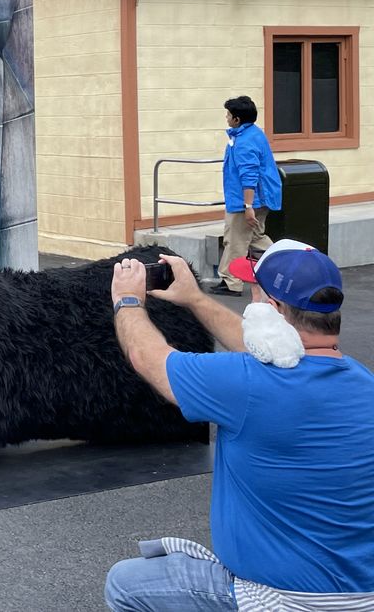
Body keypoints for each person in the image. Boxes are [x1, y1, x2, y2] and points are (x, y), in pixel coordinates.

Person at [105, 240, 374, 610]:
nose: (250, 304)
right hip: (359, 597)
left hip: (285, 600)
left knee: (127, 583)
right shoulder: (362, 383)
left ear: (272, 310)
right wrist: (195, 299)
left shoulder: (247, 386)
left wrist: (127, 300)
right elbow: (274, 356)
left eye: (255, 293)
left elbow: (148, 358)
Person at [212, 95, 281, 296]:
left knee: (235, 239)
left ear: (237, 120)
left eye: (228, 115)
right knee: (256, 236)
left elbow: (248, 175)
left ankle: (231, 282)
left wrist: (248, 206)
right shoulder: (255, 134)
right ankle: (285, 261)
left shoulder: (244, 142)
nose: (226, 117)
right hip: (261, 197)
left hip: (247, 201)